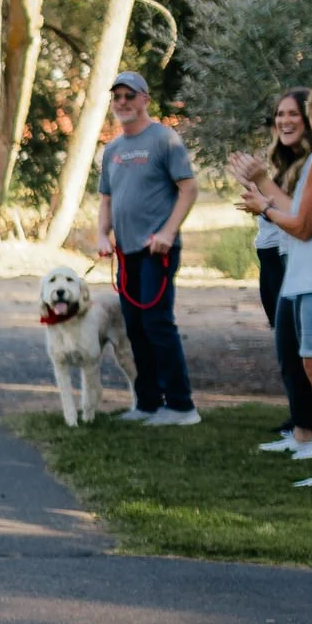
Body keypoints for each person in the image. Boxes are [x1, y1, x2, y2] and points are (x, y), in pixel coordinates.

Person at [234, 82, 312, 489]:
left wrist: (264, 204)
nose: (291, 119)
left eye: (302, 111)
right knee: (309, 365)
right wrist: (264, 193)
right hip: (305, 273)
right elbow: (300, 212)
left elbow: (304, 224)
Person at [94, 72, 202, 426]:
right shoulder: (112, 149)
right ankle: (149, 402)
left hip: (158, 250)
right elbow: (107, 199)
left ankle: (182, 406)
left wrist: (168, 233)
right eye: (117, 97)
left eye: (129, 96)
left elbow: (188, 189)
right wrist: (101, 236)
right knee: (135, 326)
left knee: (157, 324)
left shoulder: (163, 140)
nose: (122, 102)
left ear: (144, 99)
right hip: (127, 253)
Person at [227, 89, 312, 458]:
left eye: (292, 114)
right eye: (279, 115)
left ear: (309, 119)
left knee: (308, 351)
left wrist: (264, 197)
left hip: (303, 261)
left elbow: (301, 216)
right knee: (287, 347)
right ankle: (302, 429)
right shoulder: (282, 161)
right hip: (275, 254)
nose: (284, 121)